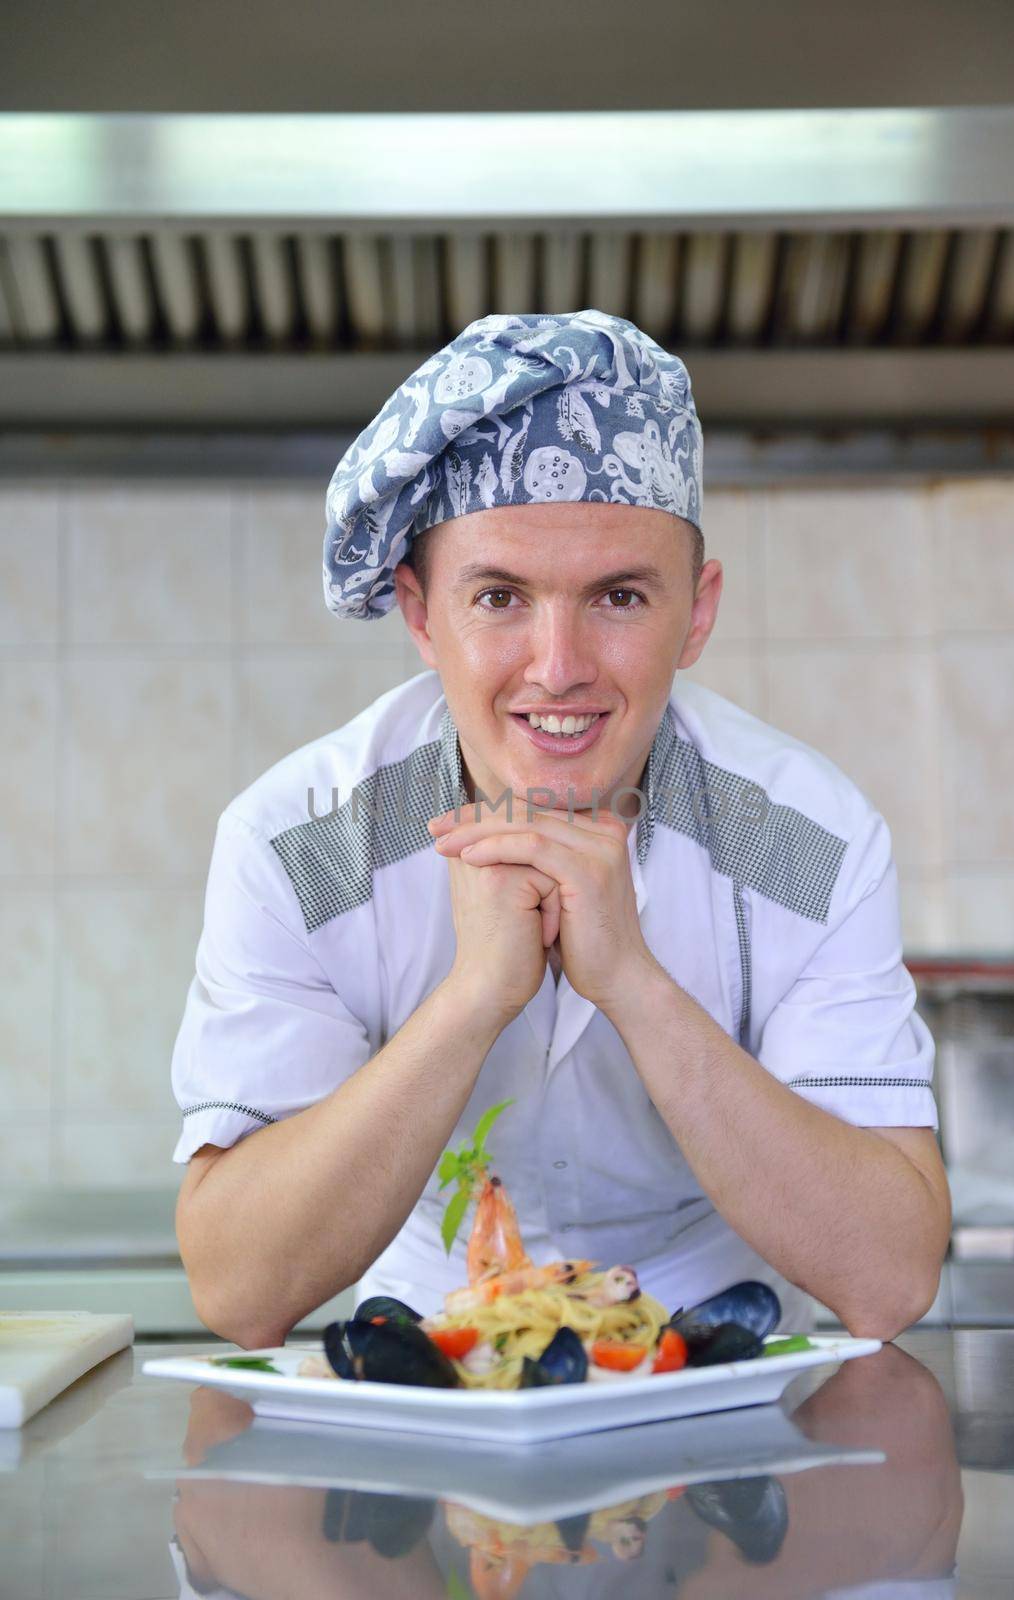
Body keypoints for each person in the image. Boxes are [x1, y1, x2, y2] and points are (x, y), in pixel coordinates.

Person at [172, 309, 950, 1350]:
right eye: (499, 596)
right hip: (425, 1358)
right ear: (419, 614)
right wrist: (472, 999)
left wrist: (631, 978)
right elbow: (235, 1287)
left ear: (698, 611)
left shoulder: (816, 843)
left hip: (718, 1376)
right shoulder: (297, 846)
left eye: (619, 596)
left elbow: (891, 1276)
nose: (558, 666)